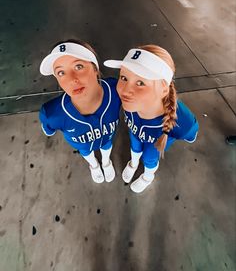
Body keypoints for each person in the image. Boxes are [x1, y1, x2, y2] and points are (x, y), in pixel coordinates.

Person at [104, 45, 199, 193]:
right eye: (124, 77)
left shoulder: (181, 120)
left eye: (140, 82)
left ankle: (147, 177)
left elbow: (191, 131)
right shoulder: (132, 104)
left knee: (150, 158)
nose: (125, 90)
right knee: (135, 146)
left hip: (156, 142)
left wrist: (190, 137)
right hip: (136, 133)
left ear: (164, 88)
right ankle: (133, 163)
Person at [39, 41, 121, 184]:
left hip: (107, 138)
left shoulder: (116, 90)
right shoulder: (51, 113)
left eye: (79, 66)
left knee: (107, 144)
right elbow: (48, 130)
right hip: (83, 147)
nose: (71, 79)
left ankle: (107, 162)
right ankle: (94, 166)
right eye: (61, 72)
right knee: (86, 152)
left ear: (95, 68)